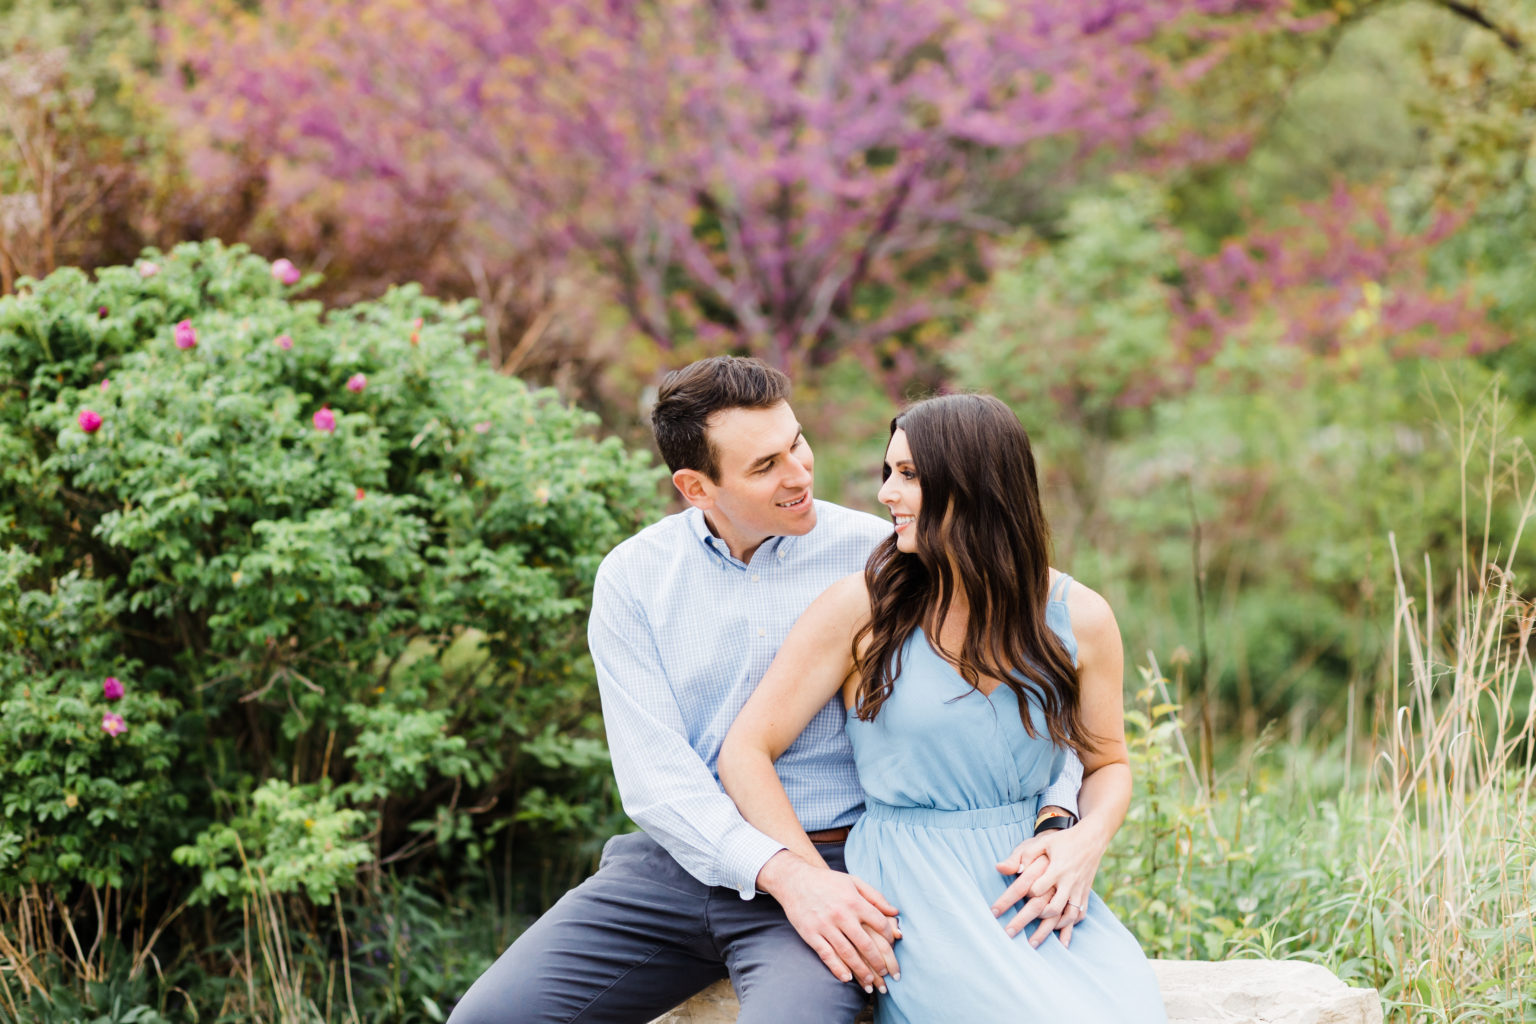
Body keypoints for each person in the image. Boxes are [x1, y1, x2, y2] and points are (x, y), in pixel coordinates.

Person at [449, 359, 1097, 1024]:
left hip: (840, 862)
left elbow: (1030, 695)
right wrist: (788, 877)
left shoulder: (891, 557)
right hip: (678, 870)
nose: (799, 473)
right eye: (765, 467)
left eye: (797, 443)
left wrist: (1061, 820)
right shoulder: (634, 579)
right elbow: (656, 781)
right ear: (696, 486)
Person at [718, 393, 1166, 1023]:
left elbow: (1108, 764)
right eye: (887, 473)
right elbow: (745, 751)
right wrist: (810, 880)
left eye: (907, 476)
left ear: (974, 486)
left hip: (1032, 884)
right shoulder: (864, 609)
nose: (885, 495)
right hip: (913, 886)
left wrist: (1083, 843)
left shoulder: (1080, 618)